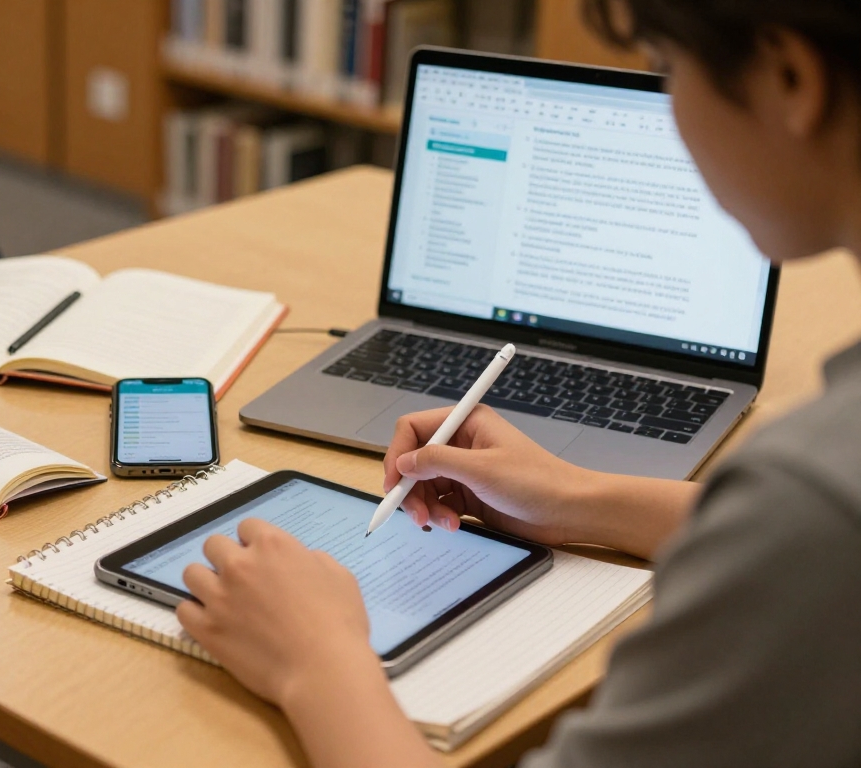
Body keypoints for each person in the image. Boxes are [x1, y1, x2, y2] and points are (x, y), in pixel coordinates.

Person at [174, 2, 861, 766]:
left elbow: (803, 528)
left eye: (666, 69)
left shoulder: (814, 502)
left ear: (791, 78)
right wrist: (576, 500)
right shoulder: (808, 505)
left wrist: (315, 661)